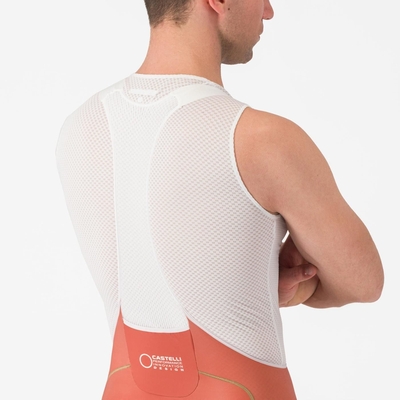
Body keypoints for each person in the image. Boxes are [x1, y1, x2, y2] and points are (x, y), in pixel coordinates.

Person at [55, 1, 384, 398]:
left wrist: (254, 282)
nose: (268, 11)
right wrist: (300, 289)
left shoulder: (80, 128)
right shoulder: (263, 140)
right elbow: (364, 282)